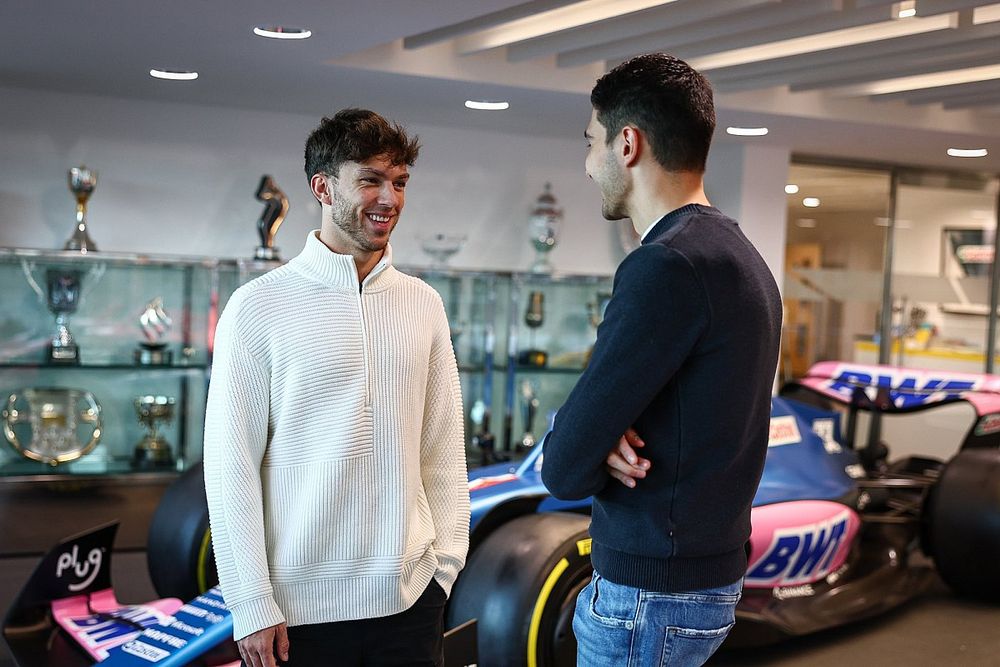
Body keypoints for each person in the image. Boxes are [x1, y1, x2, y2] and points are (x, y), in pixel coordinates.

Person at [203, 108, 470, 667]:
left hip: (410, 604)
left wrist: (445, 565)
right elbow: (231, 467)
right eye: (370, 180)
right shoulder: (257, 307)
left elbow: (442, 449)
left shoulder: (423, 304)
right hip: (297, 617)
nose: (389, 199)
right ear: (323, 187)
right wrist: (251, 603)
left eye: (399, 182)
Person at [541, 53, 782, 666]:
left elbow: (565, 465)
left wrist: (590, 440)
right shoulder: (740, 258)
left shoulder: (665, 266)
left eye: (592, 142)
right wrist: (603, 434)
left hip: (650, 598)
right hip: (701, 580)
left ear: (628, 144)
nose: (587, 164)